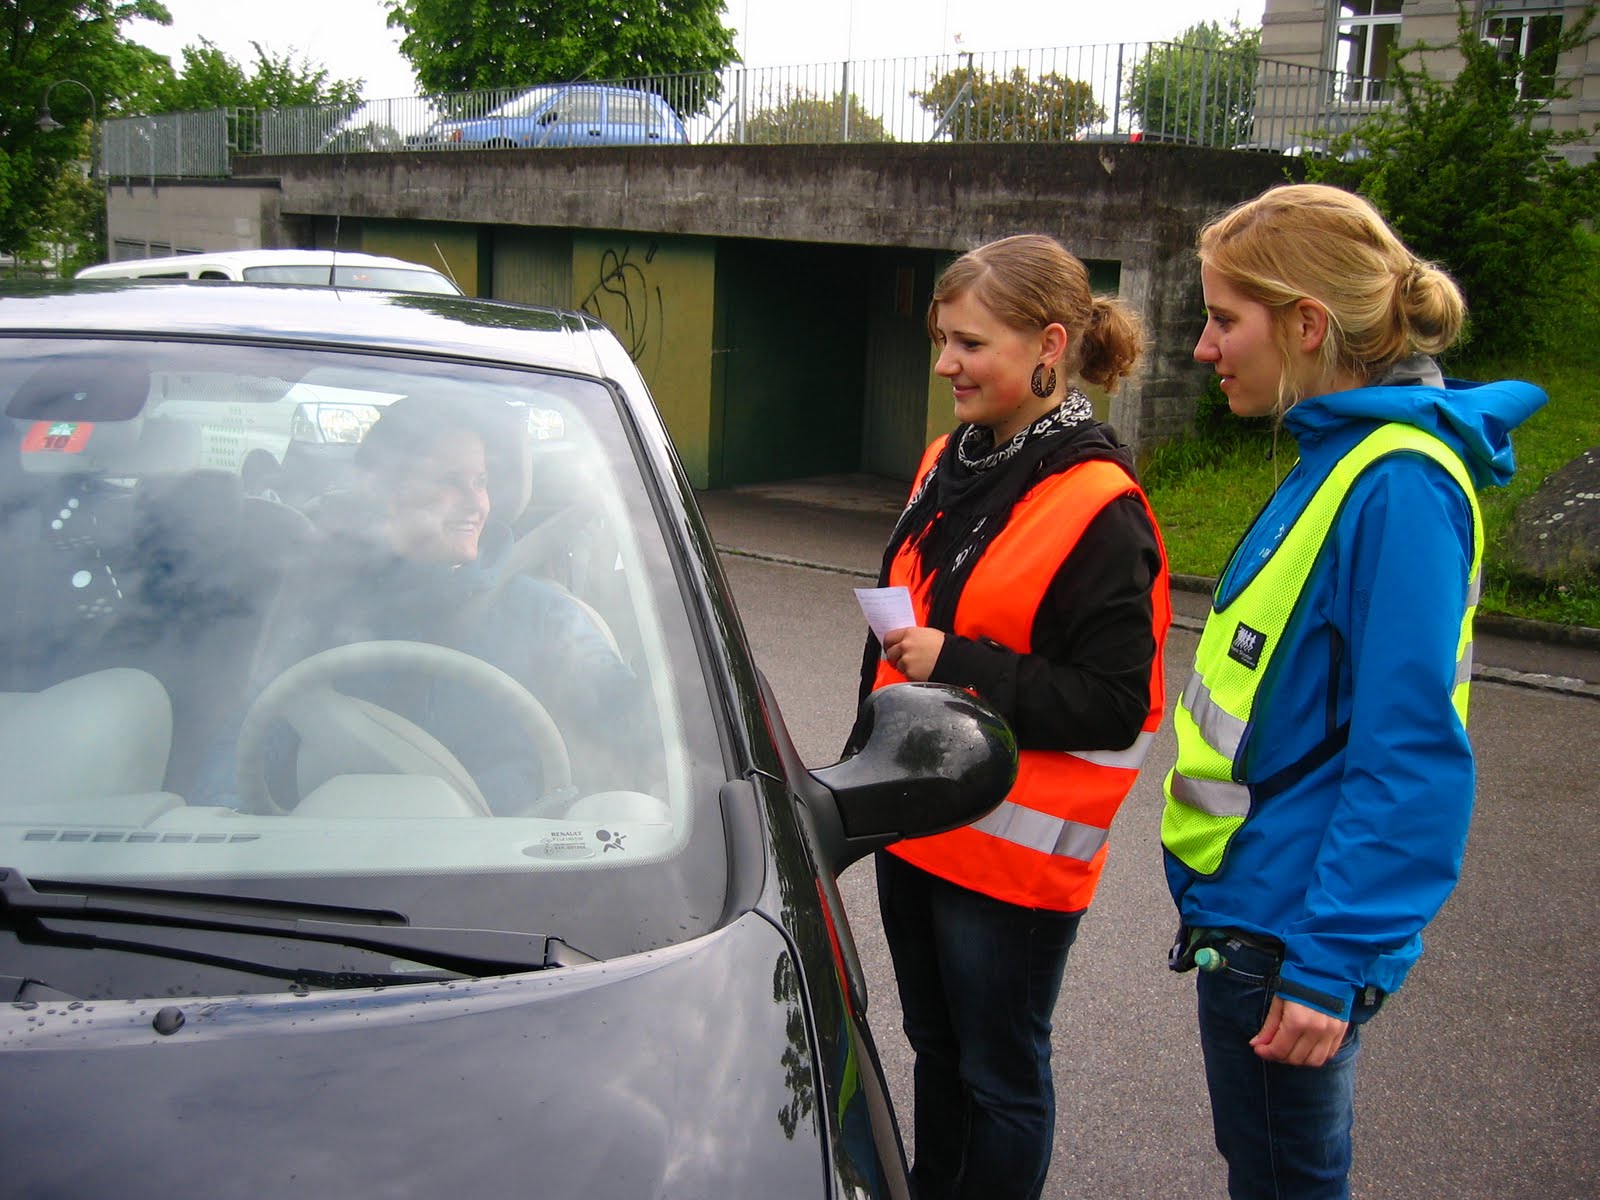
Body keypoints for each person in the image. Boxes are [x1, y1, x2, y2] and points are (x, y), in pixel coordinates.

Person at [1162, 183, 1548, 1199]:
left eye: (1223, 318)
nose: (1204, 347)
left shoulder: (1397, 483)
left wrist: (1331, 961)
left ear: (1304, 324)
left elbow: (1409, 750)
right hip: (1257, 910)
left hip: (1291, 933)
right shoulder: (1344, 457)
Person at [854, 233, 1172, 1200]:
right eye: (942, 338)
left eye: (970, 344)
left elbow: (1117, 705)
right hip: (918, 826)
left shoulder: (1102, 506)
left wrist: (961, 662)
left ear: (1049, 344)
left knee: (1000, 1078)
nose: (944, 363)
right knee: (934, 1053)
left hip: (1010, 857)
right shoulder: (951, 458)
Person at [196, 395, 647, 813]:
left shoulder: (545, 614)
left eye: (482, 482)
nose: (477, 502)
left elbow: (629, 728)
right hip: (336, 868)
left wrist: (665, 694)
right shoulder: (325, 609)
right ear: (389, 492)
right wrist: (223, 824)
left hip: (503, 873)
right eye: (452, 482)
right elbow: (248, 739)